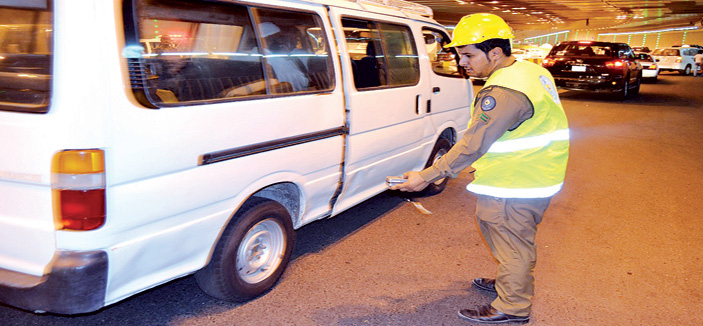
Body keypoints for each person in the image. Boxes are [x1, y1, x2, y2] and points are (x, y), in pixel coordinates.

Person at [391, 13, 569, 324]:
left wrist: (427, 176)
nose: (463, 63)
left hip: (516, 181)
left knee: (512, 243)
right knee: (508, 237)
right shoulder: (528, 71)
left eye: (469, 55)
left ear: (496, 53)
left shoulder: (503, 93)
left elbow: (473, 145)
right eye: (461, 55)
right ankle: (509, 284)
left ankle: (512, 306)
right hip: (535, 174)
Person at [259, 22, 310, 92]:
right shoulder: (271, 58)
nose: (281, 40)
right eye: (278, 37)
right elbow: (299, 82)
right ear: (268, 38)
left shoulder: (257, 54)